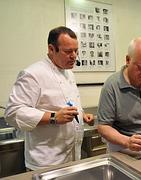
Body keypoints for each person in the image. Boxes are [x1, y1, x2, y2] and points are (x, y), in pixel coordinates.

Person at [4, 26, 94, 170]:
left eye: (76, 51)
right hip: (46, 162)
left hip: (71, 157)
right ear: (51, 49)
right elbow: (13, 112)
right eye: (68, 51)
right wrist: (53, 117)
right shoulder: (33, 74)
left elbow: (67, 103)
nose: (74, 56)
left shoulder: (68, 74)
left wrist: (82, 115)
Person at [97, 37, 141, 152]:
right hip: (122, 146)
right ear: (127, 60)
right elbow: (103, 126)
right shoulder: (112, 85)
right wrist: (127, 141)